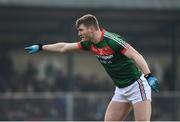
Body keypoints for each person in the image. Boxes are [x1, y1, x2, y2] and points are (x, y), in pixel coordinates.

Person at [25, 14, 159, 121]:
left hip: (137, 85)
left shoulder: (112, 40)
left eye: (81, 30)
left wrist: (148, 76)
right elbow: (64, 47)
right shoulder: (89, 44)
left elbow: (137, 56)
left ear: (91, 29)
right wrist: (42, 47)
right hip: (121, 89)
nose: (79, 33)